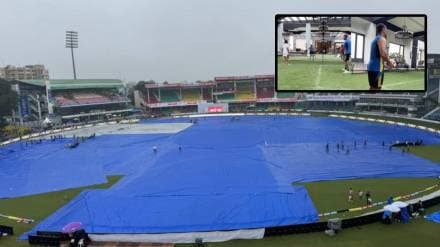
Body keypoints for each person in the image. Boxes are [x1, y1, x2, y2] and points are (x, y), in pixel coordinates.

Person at [367, 23, 395, 90]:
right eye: (386, 30)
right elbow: (383, 54)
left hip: (371, 67)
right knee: (377, 89)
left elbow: (378, 56)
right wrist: (390, 62)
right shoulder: (382, 39)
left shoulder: (375, 39)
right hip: (377, 69)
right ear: (383, 30)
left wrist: (385, 63)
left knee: (372, 87)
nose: (386, 32)